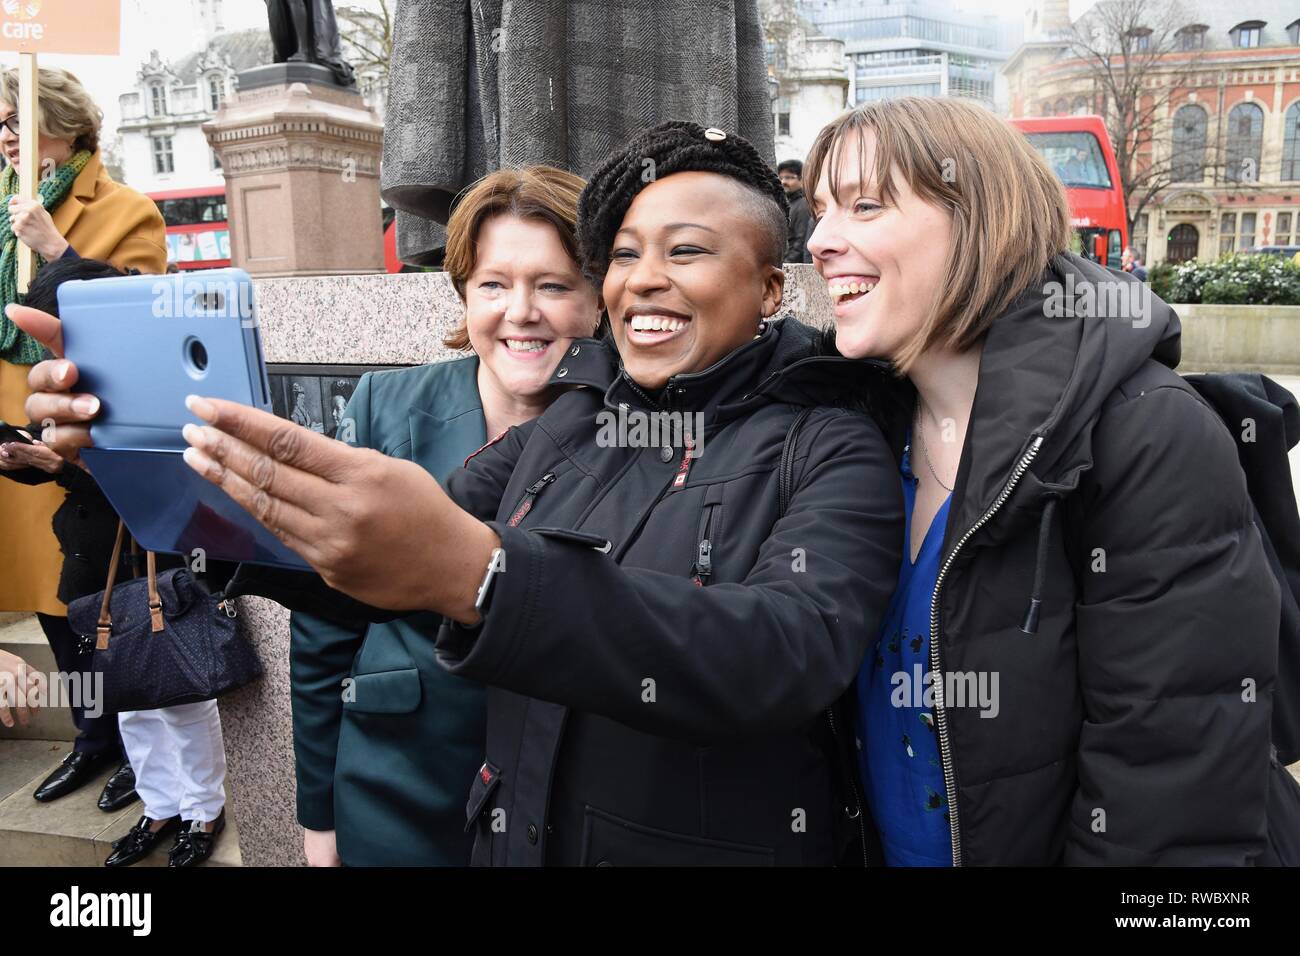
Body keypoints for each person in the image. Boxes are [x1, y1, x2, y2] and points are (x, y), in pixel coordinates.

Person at [23, 121, 906, 865]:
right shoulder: (578, 419)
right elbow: (375, 550)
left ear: (771, 289)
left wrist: (489, 577)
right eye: (625, 254)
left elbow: (784, 651)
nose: (643, 278)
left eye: (686, 252)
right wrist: (159, 463)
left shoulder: (832, 439)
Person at [803, 96, 1279, 865]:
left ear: (979, 220)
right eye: (818, 212)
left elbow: (1169, 791)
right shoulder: (854, 427)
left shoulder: (1148, 432)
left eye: (865, 206)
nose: (822, 241)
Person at [292, 166, 601, 867]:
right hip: (398, 787)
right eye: (493, 284)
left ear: (597, 300)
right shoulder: (383, 406)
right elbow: (322, 625)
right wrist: (319, 816)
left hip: (566, 804)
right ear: (464, 293)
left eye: (553, 284)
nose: (521, 311)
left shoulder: (634, 430)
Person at [0, 66, 166, 808]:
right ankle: (93, 737)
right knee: (51, 607)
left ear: (62, 122)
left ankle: (140, 748)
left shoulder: (125, 208)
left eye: (13, 120)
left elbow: (135, 328)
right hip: (12, 448)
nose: (2, 137)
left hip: (84, 447)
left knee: (107, 608)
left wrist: (55, 244)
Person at [0, 259, 152, 815]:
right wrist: (24, 457)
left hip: (133, 559)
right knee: (78, 652)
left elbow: (134, 484)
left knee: (137, 669)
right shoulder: (56, 383)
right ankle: (94, 743)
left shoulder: (136, 379)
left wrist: (61, 465)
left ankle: (142, 767)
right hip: (76, 546)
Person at [778, 158, 814, 264]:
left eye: (789, 177)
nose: (783, 182)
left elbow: (801, 241)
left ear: (801, 179)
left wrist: (786, 265)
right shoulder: (789, 203)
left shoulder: (803, 205)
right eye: (781, 178)